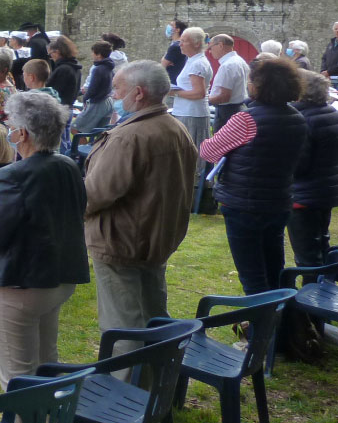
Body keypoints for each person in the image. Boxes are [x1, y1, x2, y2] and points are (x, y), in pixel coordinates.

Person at [0, 92, 88, 389]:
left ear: (21, 133)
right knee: (47, 363)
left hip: (20, 283)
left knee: (19, 376)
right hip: (58, 276)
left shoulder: (13, 175)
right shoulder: (67, 165)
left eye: (11, 126)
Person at [84, 62, 196, 343]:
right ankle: (157, 382)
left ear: (138, 93)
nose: (114, 95)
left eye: (118, 89)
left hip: (122, 241)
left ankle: (129, 386)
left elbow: (94, 195)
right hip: (154, 239)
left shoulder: (129, 137)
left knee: (125, 329)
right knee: (152, 318)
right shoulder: (175, 127)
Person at [201, 57, 307, 295]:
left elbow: (208, 151)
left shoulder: (246, 119)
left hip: (243, 203)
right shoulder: (297, 118)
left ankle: (262, 328)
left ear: (259, 85)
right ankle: (280, 325)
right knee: (274, 268)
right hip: (278, 201)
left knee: (253, 277)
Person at [288, 71, 338, 269]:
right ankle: (323, 286)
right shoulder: (330, 113)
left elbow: (300, 164)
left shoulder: (303, 119)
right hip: (326, 188)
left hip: (304, 194)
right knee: (321, 244)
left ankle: (312, 295)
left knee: (307, 254)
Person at [172, 26, 214, 201]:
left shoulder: (198, 63)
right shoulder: (192, 60)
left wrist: (173, 92)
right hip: (186, 111)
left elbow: (198, 93)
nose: (180, 44)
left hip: (192, 114)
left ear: (196, 44)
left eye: (184, 41)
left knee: (192, 152)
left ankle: (195, 192)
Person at [208, 33, 250, 130]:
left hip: (227, 111)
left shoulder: (228, 65)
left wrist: (204, 100)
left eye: (211, 47)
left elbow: (224, 97)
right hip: (238, 108)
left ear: (220, 45)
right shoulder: (240, 61)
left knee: (222, 143)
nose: (210, 51)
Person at [74, 41, 115, 132]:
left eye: (93, 52)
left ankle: (85, 146)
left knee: (75, 129)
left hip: (98, 102)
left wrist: (85, 98)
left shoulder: (98, 69)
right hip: (108, 102)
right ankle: (97, 146)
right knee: (99, 132)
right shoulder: (109, 67)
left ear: (99, 55)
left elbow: (92, 88)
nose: (92, 55)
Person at [45, 35, 82, 106]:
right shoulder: (75, 66)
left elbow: (55, 92)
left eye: (50, 54)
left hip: (60, 108)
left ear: (57, 52)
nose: (51, 58)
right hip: (69, 106)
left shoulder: (63, 69)